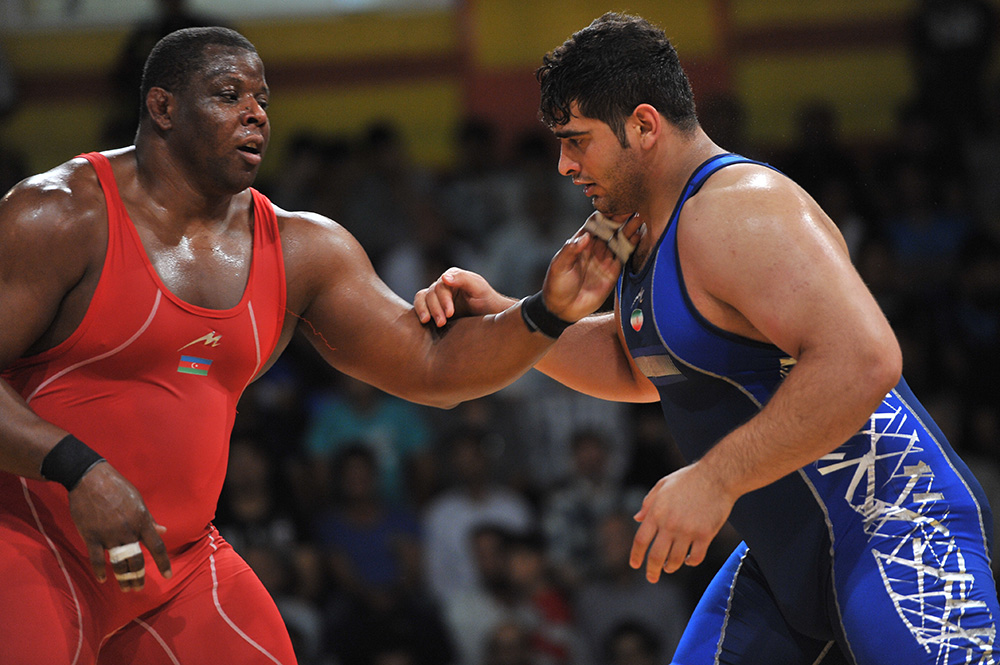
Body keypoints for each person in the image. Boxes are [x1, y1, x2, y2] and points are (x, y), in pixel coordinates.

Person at [0, 26, 636, 664]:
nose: (255, 115)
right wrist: (78, 469)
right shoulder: (59, 215)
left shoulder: (300, 249)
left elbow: (431, 368)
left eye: (263, 102)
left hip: (179, 565)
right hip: (33, 545)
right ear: (162, 107)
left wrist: (547, 312)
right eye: (229, 95)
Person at [414, 12, 1000, 664]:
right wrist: (515, 317)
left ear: (643, 125)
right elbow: (646, 366)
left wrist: (716, 478)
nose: (564, 165)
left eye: (577, 141)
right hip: (788, 550)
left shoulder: (740, 207)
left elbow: (865, 361)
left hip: (895, 530)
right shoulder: (644, 228)